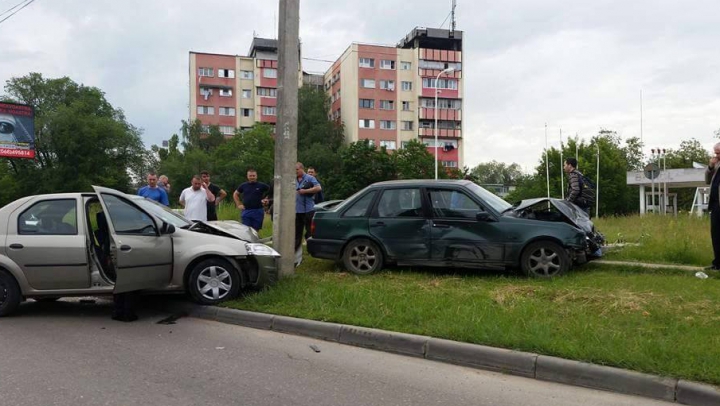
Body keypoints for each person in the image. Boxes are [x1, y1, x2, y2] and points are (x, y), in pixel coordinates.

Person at [295, 162, 321, 266]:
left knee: (310, 232)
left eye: (297, 170)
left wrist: (305, 191)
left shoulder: (310, 178)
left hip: (308, 210)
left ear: (302, 169)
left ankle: (313, 252)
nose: (295, 172)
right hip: (297, 210)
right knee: (297, 233)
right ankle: (296, 256)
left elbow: (318, 188)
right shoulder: (294, 179)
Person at [705, 142, 720, 271]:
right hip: (715, 204)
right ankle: (717, 263)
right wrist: (710, 167)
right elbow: (707, 180)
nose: (716, 155)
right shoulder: (716, 165)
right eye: (715, 153)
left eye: (719, 153)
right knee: (716, 234)